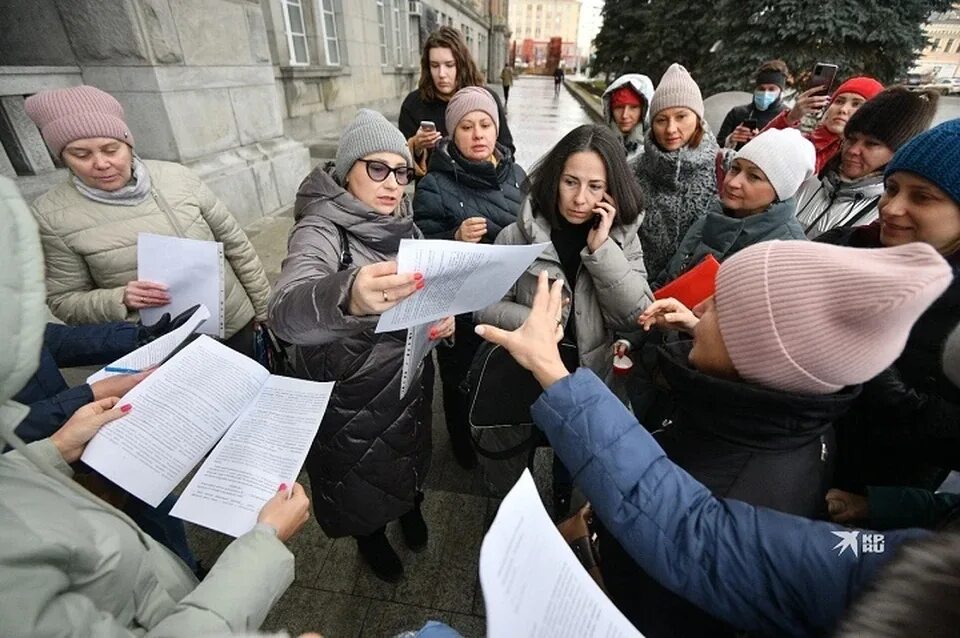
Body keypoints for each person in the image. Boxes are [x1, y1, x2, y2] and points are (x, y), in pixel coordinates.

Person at [472, 267, 954, 638]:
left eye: (721, 307)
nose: (699, 306)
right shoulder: (798, 422)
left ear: (760, 351)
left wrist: (549, 368)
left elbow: (690, 542)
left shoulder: (744, 482)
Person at [0, 174, 312, 636]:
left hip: (67, 448)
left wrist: (56, 447)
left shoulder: (179, 180)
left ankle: (185, 572)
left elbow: (48, 338)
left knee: (153, 512)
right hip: (69, 447)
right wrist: (264, 544)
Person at [268, 110, 454, 583]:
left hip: (408, 386)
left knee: (409, 460)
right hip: (350, 401)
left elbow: (420, 296)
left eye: (401, 172)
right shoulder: (321, 229)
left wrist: (439, 318)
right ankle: (370, 538)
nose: (392, 183)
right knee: (360, 481)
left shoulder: (406, 227)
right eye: (377, 169)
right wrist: (347, 295)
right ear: (346, 170)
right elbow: (286, 310)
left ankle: (410, 507)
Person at [474, 123, 652, 516]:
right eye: (571, 182)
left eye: (594, 186)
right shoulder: (515, 236)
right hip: (523, 375)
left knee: (575, 463)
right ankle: (513, 517)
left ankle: (564, 511)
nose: (580, 198)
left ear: (611, 189)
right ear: (555, 178)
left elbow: (636, 315)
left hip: (590, 376)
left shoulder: (622, 239)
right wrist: (537, 321)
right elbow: (483, 306)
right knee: (514, 462)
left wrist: (603, 251)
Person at [24, 86, 270, 358]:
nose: (101, 163)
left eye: (110, 149)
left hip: (235, 324)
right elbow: (64, 300)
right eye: (81, 155)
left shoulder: (178, 178)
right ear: (63, 158)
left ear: (128, 145)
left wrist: (264, 309)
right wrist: (120, 298)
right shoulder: (51, 215)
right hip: (159, 346)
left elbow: (237, 246)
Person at [816, 118, 960, 495]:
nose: (892, 209)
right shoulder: (840, 249)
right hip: (792, 455)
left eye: (922, 197)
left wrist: (880, 378)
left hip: (875, 494)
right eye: (891, 188)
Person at [413, 87, 527, 469]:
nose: (478, 134)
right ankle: (462, 445)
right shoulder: (433, 185)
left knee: (504, 371)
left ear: (497, 129)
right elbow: (419, 249)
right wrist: (454, 238)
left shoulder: (518, 176)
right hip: (460, 306)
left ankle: (500, 432)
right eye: (466, 126)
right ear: (451, 133)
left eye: (485, 124)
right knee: (458, 379)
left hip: (509, 300)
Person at [652, 127, 813, 287]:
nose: (733, 182)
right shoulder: (711, 218)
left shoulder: (789, 255)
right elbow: (667, 277)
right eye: (735, 169)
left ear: (780, 190)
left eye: (754, 177)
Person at [795, 86, 938, 238]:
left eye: (871, 144)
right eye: (851, 139)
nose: (853, 150)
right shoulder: (811, 183)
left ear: (898, 152)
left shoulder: (890, 216)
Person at [634, 63, 720, 281]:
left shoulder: (725, 170)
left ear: (698, 118)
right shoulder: (632, 171)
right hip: (638, 293)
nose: (671, 129)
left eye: (681, 116)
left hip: (699, 297)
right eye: (661, 120)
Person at [399, 26, 514, 176]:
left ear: (462, 64)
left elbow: (507, 152)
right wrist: (417, 147)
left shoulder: (485, 99)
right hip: (434, 194)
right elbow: (401, 171)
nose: (441, 74)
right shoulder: (414, 104)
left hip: (480, 191)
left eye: (449, 65)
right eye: (434, 66)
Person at [763, 75, 884, 174]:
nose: (843, 109)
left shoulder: (864, 159)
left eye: (857, 104)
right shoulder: (803, 142)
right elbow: (759, 151)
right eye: (839, 101)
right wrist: (791, 117)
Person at [717, 59, 791, 149]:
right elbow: (716, 148)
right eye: (761, 89)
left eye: (771, 89)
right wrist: (730, 140)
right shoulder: (737, 113)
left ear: (780, 91)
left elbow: (792, 154)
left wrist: (761, 142)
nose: (765, 93)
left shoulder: (789, 116)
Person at [600, 73, 654, 163]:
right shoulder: (599, 144)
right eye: (619, 107)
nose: (624, 115)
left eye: (633, 107)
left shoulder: (654, 151)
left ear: (645, 111)